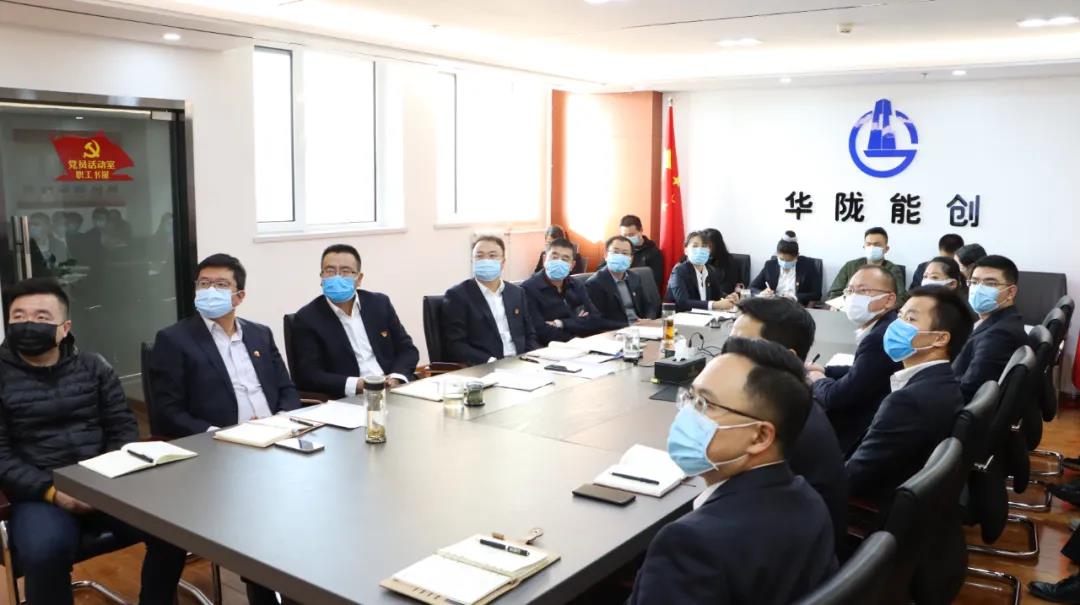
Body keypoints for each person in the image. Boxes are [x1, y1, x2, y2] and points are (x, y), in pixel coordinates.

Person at [0, 278, 187, 604]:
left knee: (173, 529)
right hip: (41, 493)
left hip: (105, 482)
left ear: (64, 328)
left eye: (42, 317)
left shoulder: (93, 366)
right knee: (45, 553)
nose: (29, 324)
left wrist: (102, 478)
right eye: (19, 317)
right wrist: (54, 492)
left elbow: (122, 426)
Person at [628, 338, 835, 604]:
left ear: (760, 436)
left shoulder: (690, 543)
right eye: (690, 397)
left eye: (705, 404)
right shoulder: (810, 500)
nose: (687, 413)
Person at [148, 254, 298, 604]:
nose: (210, 290)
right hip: (219, 452)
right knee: (261, 520)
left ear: (239, 296)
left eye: (220, 285)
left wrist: (281, 423)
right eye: (204, 284)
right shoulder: (174, 340)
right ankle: (265, 592)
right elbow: (167, 412)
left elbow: (287, 389)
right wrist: (220, 433)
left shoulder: (259, 333)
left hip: (276, 442)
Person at [730, 297, 847, 549]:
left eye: (742, 345)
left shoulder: (777, 426)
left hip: (789, 551)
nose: (729, 354)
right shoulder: (795, 401)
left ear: (785, 356)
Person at [846, 286, 973, 501]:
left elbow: (852, 479)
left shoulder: (907, 402)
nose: (896, 325)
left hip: (870, 504)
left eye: (910, 319)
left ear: (940, 338)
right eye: (900, 316)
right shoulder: (943, 381)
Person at [291, 244, 419, 398]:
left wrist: (396, 378)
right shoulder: (307, 318)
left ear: (359, 279)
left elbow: (407, 350)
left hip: (394, 389)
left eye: (345, 271)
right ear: (321, 277)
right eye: (330, 271)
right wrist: (358, 385)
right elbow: (310, 375)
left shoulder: (379, 304)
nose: (337, 277)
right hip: (350, 398)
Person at [808, 265, 903, 453]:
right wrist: (825, 370)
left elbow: (836, 398)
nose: (853, 297)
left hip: (860, 430)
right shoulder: (886, 325)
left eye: (863, 291)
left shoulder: (879, 338)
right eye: (850, 291)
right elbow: (864, 372)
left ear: (889, 299)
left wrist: (818, 380)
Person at [443, 235, 539, 365]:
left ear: (503, 262)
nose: (486, 260)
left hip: (521, 362)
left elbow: (530, 334)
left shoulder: (517, 293)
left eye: (492, 255)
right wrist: (489, 362)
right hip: (485, 366)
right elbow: (456, 344)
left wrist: (529, 358)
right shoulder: (457, 296)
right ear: (472, 261)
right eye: (479, 256)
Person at [952, 255, 1027, 401]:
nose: (979, 289)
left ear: (1011, 292)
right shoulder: (1001, 319)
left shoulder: (1000, 335)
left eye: (990, 284)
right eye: (974, 282)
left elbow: (969, 389)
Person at [522, 237, 604, 345]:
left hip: (583, 344)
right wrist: (576, 333)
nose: (559, 262)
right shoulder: (528, 289)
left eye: (565, 259)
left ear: (572, 265)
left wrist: (561, 323)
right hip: (551, 348)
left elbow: (596, 320)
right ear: (544, 259)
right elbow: (541, 330)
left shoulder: (577, 285)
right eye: (554, 257)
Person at [585, 235, 659, 330]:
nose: (620, 256)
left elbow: (649, 305)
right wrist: (629, 325)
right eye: (615, 252)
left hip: (641, 328)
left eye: (625, 253)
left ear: (631, 258)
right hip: (616, 331)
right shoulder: (595, 283)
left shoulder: (634, 277)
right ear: (606, 255)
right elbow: (597, 320)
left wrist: (649, 319)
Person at [826, 226, 908, 305]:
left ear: (886, 249)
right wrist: (836, 305)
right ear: (864, 247)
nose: (872, 247)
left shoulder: (893, 270)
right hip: (847, 309)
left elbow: (901, 298)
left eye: (877, 245)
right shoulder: (850, 266)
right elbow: (834, 292)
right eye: (868, 244)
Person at [664, 231, 739, 312]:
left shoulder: (710, 270)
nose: (700, 249)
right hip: (677, 316)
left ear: (709, 251)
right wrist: (714, 305)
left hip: (703, 316)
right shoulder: (679, 271)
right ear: (686, 250)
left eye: (704, 246)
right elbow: (683, 302)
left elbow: (717, 294)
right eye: (695, 246)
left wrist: (728, 297)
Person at [750, 230, 822, 305]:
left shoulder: (808, 266)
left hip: (796, 307)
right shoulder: (770, 266)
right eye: (781, 259)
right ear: (777, 254)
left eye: (789, 260)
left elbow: (817, 294)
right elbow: (752, 287)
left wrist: (795, 297)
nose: (784, 263)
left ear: (797, 256)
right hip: (773, 305)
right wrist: (762, 293)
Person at [596, 214, 664, 292]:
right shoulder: (616, 249)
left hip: (638, 292)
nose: (627, 239)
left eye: (631, 235)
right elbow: (599, 270)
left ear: (641, 230)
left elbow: (654, 282)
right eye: (624, 236)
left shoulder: (653, 252)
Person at [701, 228, 742, 295]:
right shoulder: (699, 259)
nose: (702, 248)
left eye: (706, 245)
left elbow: (726, 289)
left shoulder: (729, 262)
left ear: (716, 245)